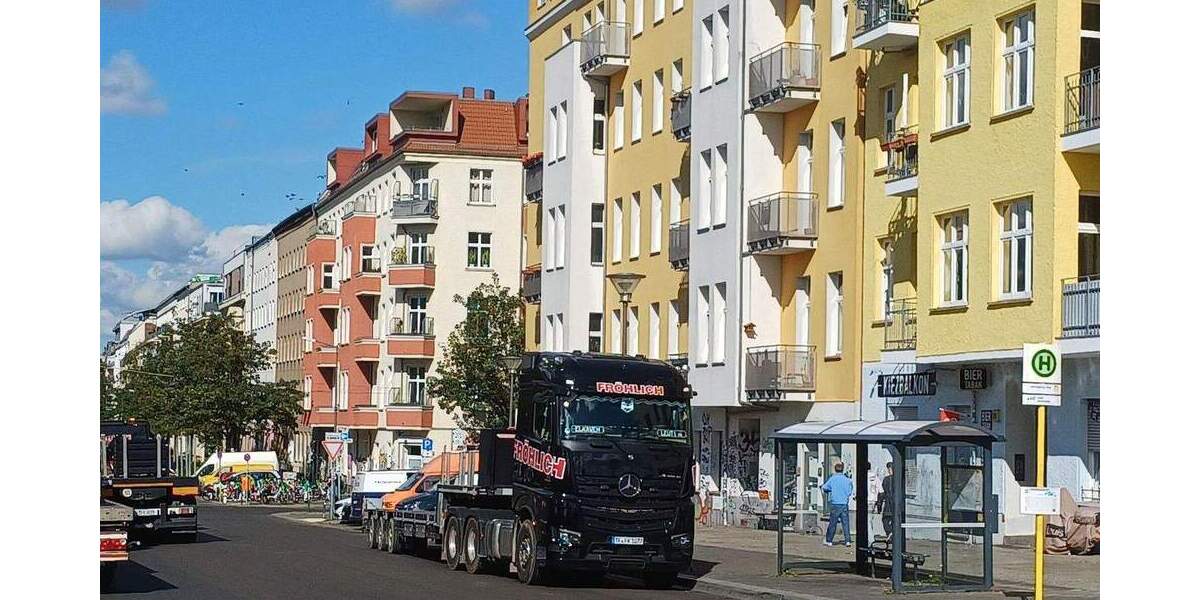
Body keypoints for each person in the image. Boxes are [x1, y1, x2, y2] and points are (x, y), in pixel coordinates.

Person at [821, 462, 854, 547]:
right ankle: (848, 541)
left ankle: (829, 540)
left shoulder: (833, 478)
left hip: (835, 504)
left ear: (835, 469)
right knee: (845, 523)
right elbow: (850, 492)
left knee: (833, 523)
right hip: (844, 504)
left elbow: (825, 487)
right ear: (842, 469)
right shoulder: (847, 480)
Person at [876, 462, 895, 539]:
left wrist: (879, 504)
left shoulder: (886, 479)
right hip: (895, 504)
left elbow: (882, 492)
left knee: (885, 519)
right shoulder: (898, 479)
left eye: (889, 469)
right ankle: (892, 533)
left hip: (888, 503)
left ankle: (889, 532)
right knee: (894, 520)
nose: (888, 470)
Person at [866, 461, 882, 541]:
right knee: (870, 520)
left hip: (866, 502)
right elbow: (881, 491)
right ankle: (870, 538)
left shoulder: (863, 477)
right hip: (873, 502)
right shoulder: (875, 477)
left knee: (867, 522)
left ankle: (871, 540)